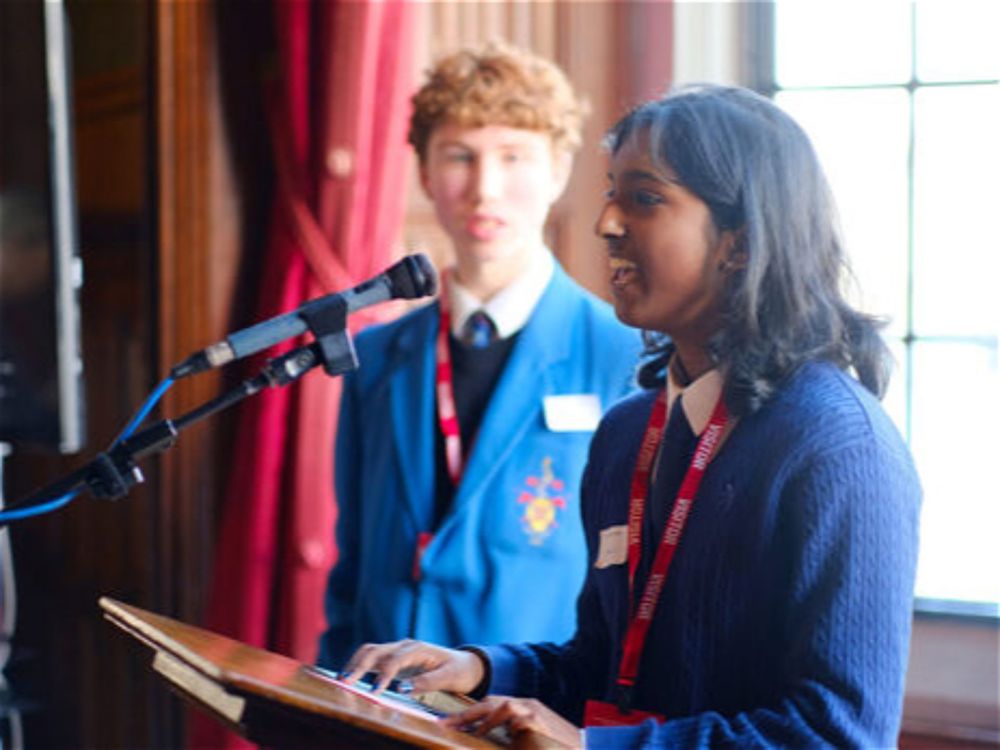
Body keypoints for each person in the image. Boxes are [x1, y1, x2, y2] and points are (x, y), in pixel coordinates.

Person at [337, 85, 922, 749]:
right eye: (612, 193)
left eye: (643, 198)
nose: (606, 223)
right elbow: (603, 668)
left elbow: (837, 737)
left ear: (738, 240)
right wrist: (480, 669)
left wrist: (592, 747)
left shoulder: (840, 447)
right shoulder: (627, 432)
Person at [316, 42, 641, 670]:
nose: (484, 189)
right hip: (380, 698)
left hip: (526, 700)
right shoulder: (374, 357)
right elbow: (351, 567)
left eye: (513, 157)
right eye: (459, 156)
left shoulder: (624, 357)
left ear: (558, 171)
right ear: (425, 173)